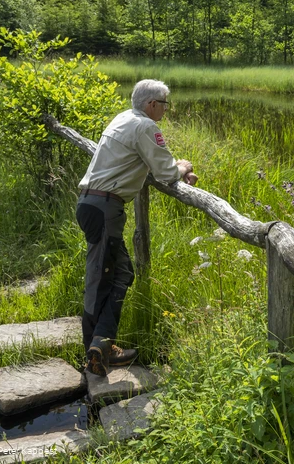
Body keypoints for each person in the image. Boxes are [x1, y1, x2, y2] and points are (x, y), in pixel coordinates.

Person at [75, 79, 197, 376]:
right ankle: (96, 348)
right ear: (152, 104)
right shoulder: (145, 127)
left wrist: (168, 173)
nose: (166, 110)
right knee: (100, 280)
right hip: (106, 209)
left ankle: (100, 345)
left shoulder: (123, 118)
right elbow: (166, 171)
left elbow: (133, 165)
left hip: (94, 204)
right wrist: (183, 167)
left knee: (119, 273)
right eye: (165, 105)